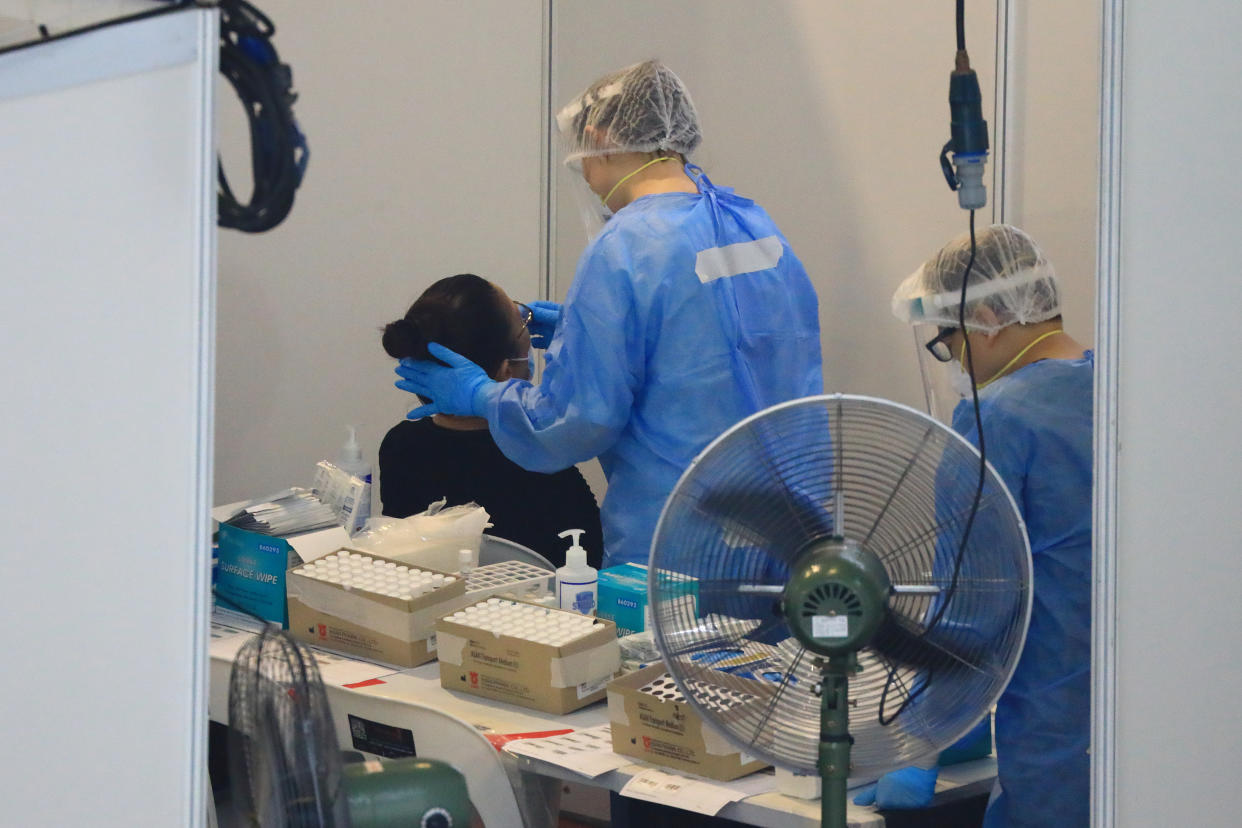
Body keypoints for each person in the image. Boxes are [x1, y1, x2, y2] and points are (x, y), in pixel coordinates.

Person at [393, 60, 823, 568]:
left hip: (681, 539)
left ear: (600, 138)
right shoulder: (751, 222)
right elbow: (739, 342)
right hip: (789, 525)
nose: (592, 183)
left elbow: (578, 422)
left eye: (584, 163)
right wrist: (583, 330)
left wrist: (484, 396)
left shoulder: (625, 246)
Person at [869, 224, 1092, 826]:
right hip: (1143, 731)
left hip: (1056, 741)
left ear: (990, 315)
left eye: (950, 339)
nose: (956, 359)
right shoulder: (1122, 389)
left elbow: (967, 610)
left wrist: (918, 748)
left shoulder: (998, 421)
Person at [380, 273, 602, 569]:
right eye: (523, 321)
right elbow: (591, 564)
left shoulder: (399, 446)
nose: (530, 321)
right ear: (506, 371)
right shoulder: (540, 458)